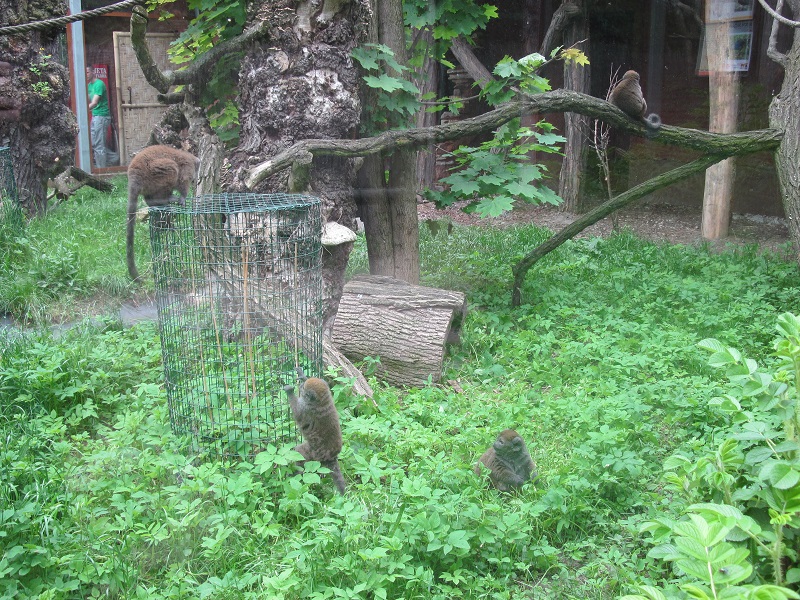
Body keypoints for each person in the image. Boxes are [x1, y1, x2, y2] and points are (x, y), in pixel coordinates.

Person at [86, 66, 119, 168]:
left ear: (93, 72)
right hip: (95, 116)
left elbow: (94, 102)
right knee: (93, 144)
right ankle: (115, 158)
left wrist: (82, 110)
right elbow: (87, 100)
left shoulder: (99, 84)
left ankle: (101, 170)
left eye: (87, 72)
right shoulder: (89, 86)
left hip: (102, 116)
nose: (86, 75)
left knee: (99, 145)